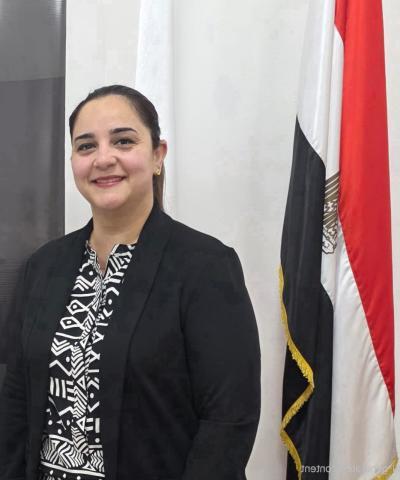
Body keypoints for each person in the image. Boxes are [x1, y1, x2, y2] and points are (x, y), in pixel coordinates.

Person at [0, 85, 261, 480]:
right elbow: (17, 399)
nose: (104, 158)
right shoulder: (43, 267)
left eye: (123, 141)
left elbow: (228, 420)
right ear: (73, 161)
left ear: (157, 156)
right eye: (86, 146)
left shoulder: (205, 266)